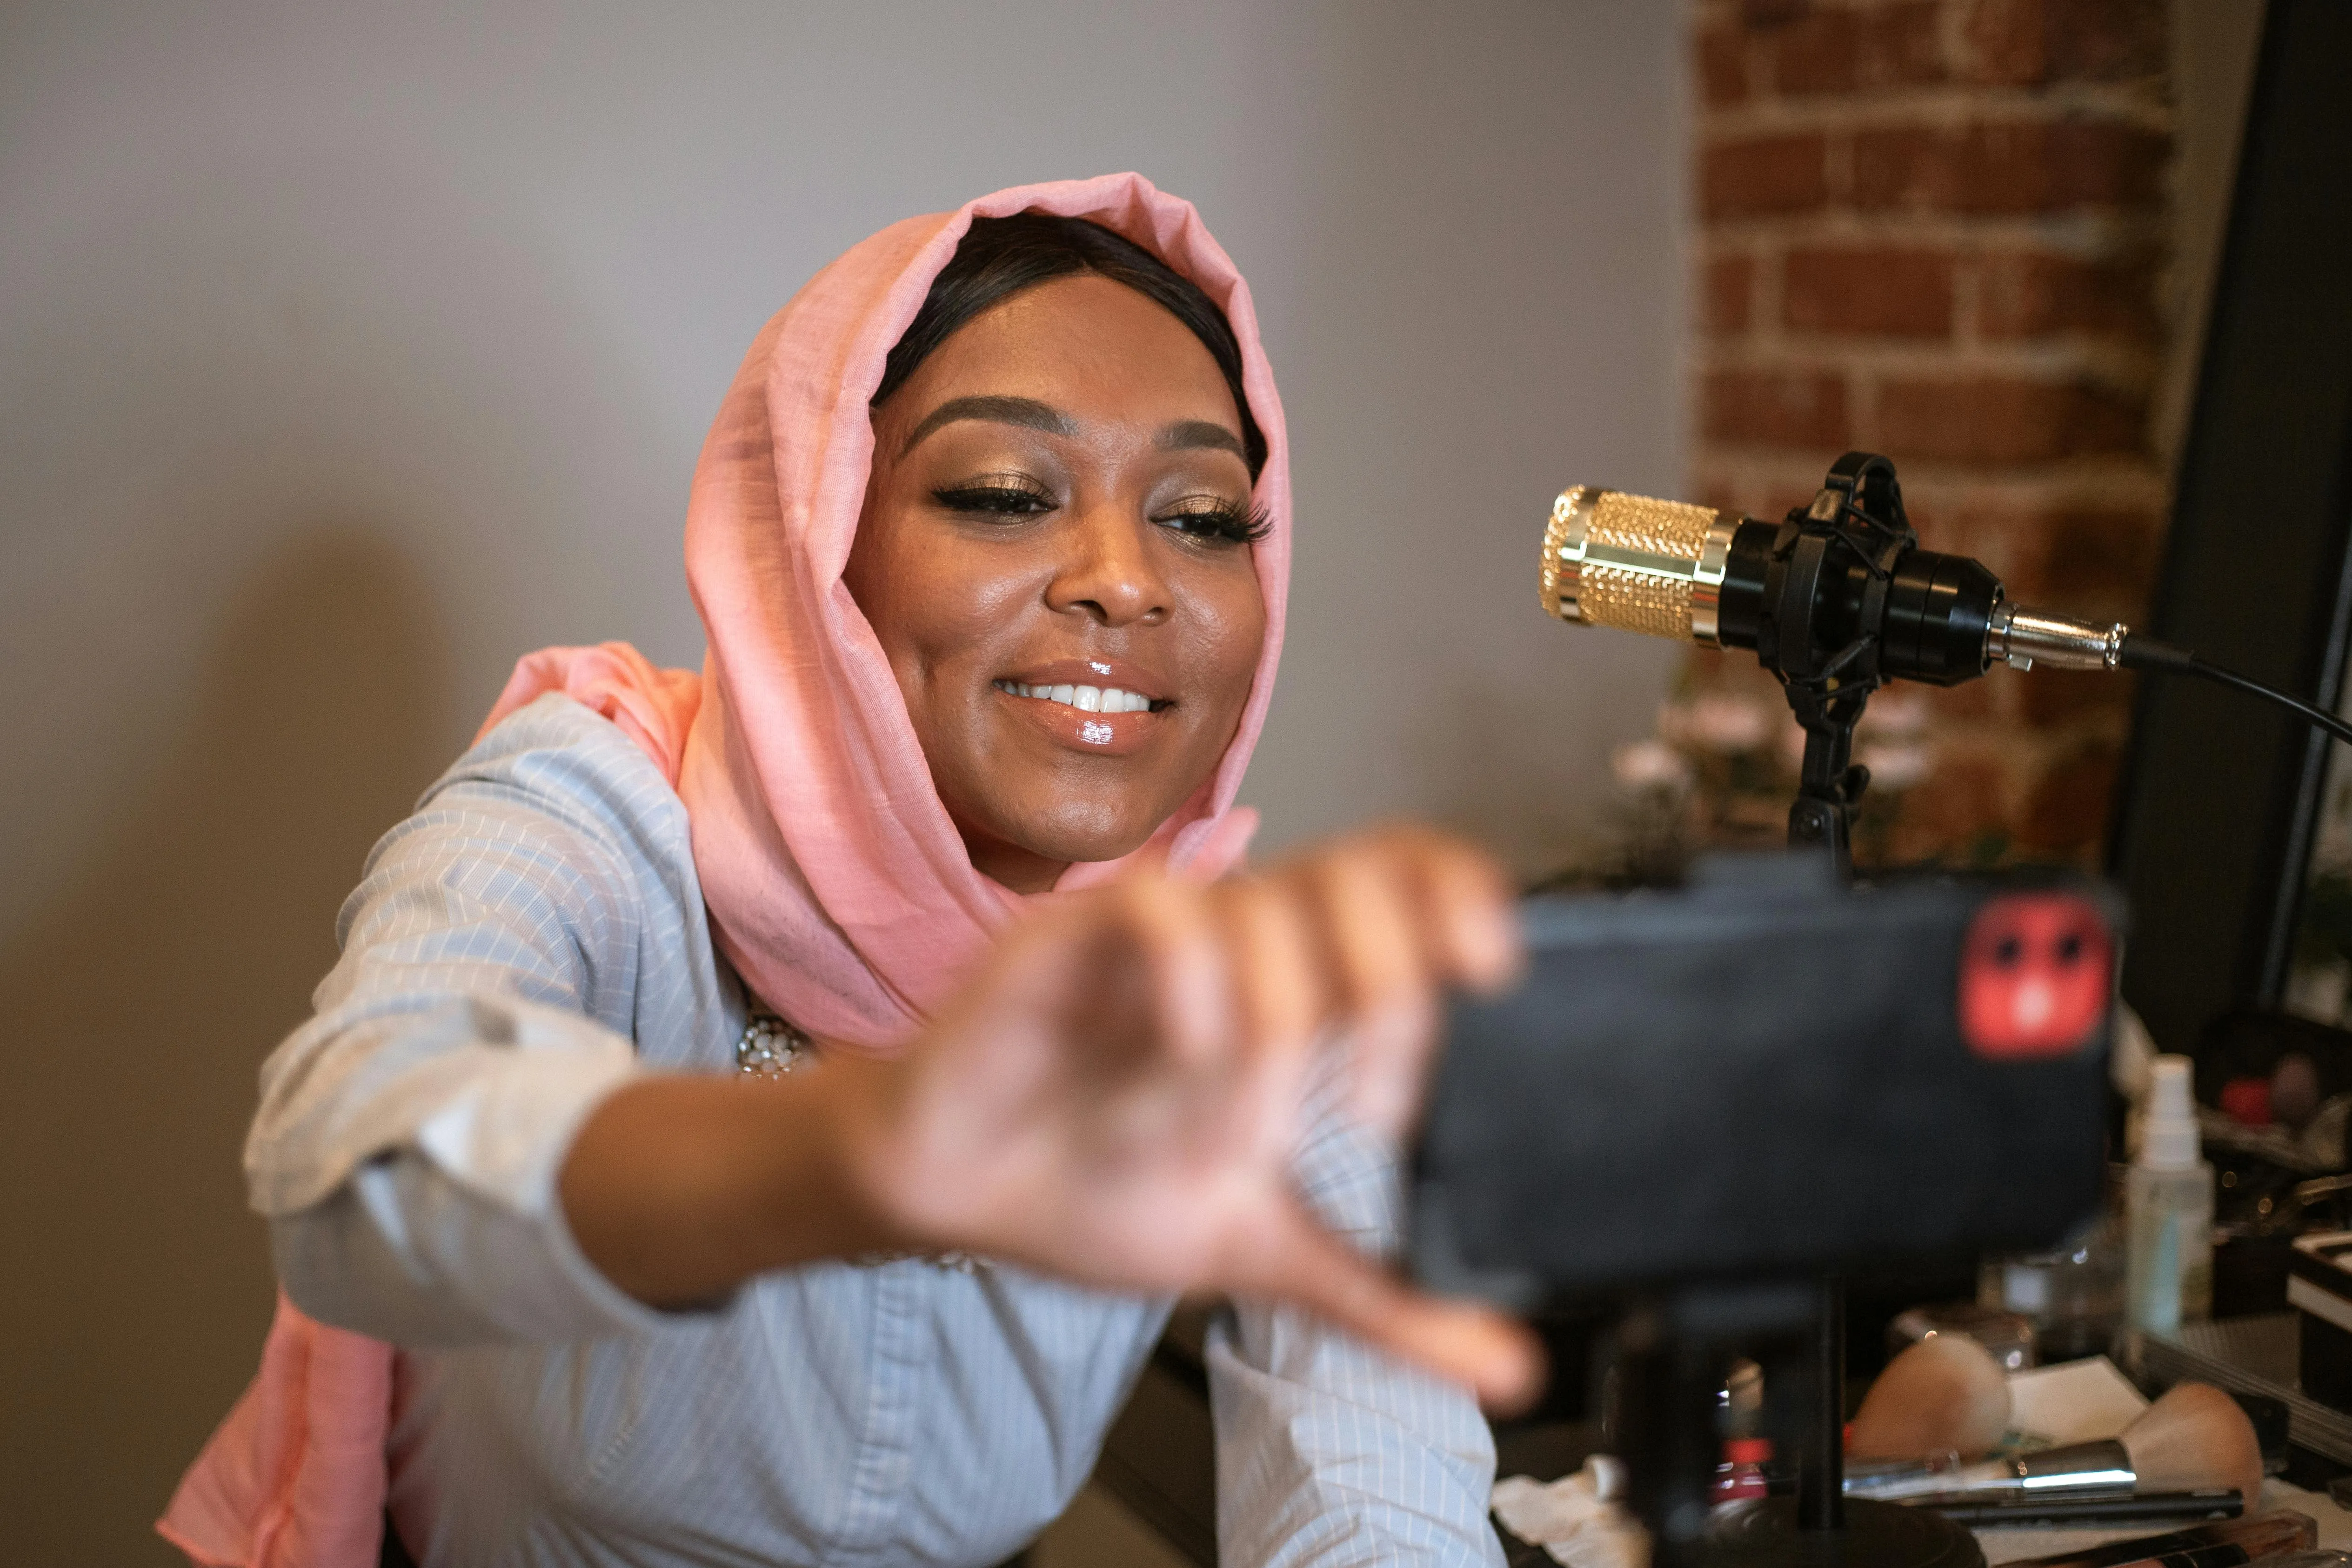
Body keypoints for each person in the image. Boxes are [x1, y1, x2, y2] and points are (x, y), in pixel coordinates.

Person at [162, 173, 1537, 1568]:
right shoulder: (598, 809)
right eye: (1006, 493)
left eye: (1202, 516)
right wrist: (860, 1153)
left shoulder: (1228, 978)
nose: (1128, 579)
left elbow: (1375, 1479)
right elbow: (352, 1166)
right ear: (816, 550)